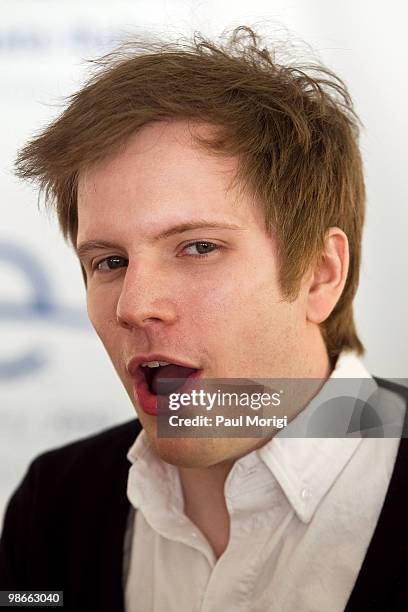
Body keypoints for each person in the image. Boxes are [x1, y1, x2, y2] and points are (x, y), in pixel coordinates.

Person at [0, 26, 407, 612]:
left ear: (320, 273)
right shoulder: (54, 503)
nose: (133, 305)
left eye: (198, 248)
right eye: (110, 261)